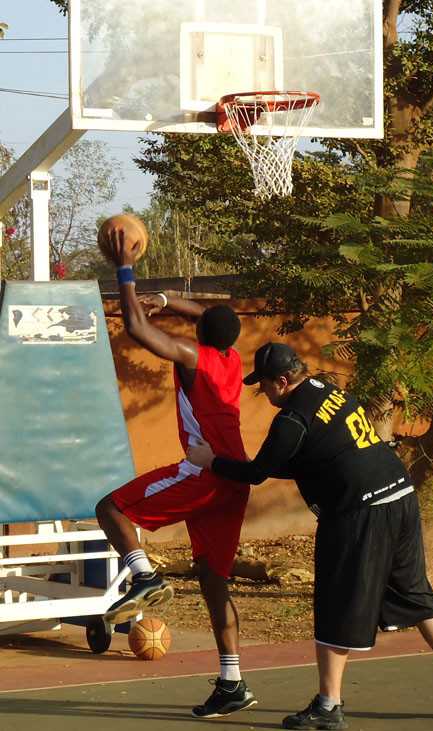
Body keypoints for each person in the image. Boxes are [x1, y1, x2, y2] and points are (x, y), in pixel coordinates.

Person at [187, 341, 433, 729]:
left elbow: (257, 473)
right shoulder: (328, 392)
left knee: (334, 606)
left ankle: (328, 706)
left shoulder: (291, 419)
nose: (264, 393)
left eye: (265, 385)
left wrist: (211, 461)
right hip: (399, 494)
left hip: (359, 511)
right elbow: (312, 458)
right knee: (417, 595)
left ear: (282, 380)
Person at [95, 226, 256, 719]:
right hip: (237, 479)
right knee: (213, 579)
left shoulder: (196, 358)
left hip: (205, 473)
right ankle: (232, 681)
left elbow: (138, 331)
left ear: (200, 335)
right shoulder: (230, 356)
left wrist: (125, 268)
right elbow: (211, 317)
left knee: (111, 508)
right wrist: (166, 297)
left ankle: (142, 575)